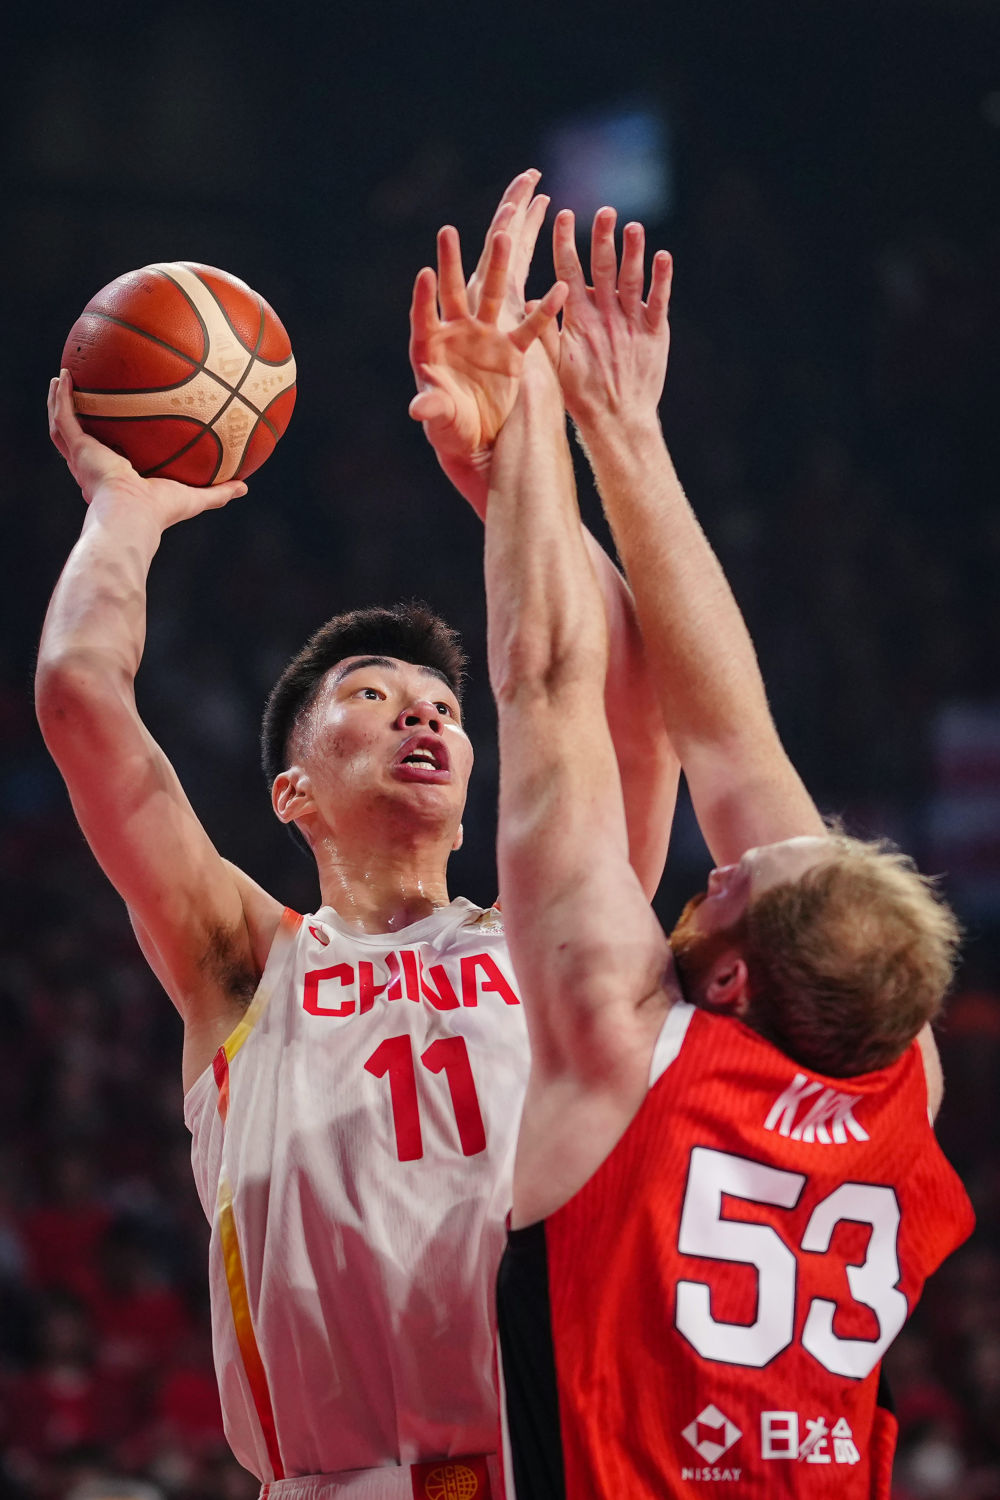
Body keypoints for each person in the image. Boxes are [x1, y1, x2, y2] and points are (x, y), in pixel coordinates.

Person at [34, 175, 679, 1500]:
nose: (423, 714)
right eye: (373, 697)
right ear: (293, 793)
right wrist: (124, 510)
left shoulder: (554, 945)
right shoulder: (243, 962)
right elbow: (80, 697)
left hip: (568, 1470)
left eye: (442, 704)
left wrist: (512, 479)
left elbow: (636, 708)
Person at [441, 215, 975, 1496]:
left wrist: (534, 429)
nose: (719, 863)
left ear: (732, 979)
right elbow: (729, 741)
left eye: (737, 886)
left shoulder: (629, 1054)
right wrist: (617, 431)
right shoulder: (895, 1080)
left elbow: (554, 683)